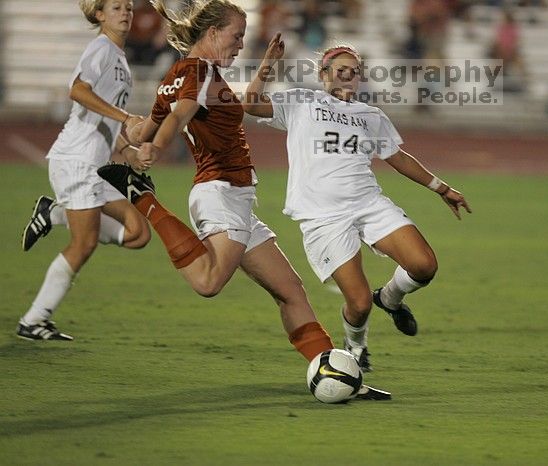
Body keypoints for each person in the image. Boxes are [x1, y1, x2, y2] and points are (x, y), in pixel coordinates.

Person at [98, 0, 389, 400]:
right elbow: (178, 118)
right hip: (220, 192)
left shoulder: (183, 73)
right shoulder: (199, 72)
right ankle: (144, 198)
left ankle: (337, 375)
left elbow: (151, 124)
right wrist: (155, 148)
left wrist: (132, 136)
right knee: (208, 281)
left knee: (290, 291)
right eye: (236, 36)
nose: (239, 44)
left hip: (234, 198)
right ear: (213, 32)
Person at [243, 38, 471, 372]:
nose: (348, 77)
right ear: (324, 74)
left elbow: (397, 157)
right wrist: (267, 64)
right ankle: (356, 344)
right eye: (341, 71)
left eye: (354, 72)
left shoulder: (370, 115)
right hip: (323, 217)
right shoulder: (301, 101)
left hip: (368, 203)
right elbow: (250, 105)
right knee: (359, 303)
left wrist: (441, 188)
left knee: (424, 265)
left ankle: (390, 298)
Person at [17, 0, 151, 341]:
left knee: (138, 233)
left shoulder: (120, 59)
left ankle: (55, 212)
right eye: (117, 7)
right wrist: (126, 119)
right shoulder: (101, 48)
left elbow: (105, 118)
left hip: (96, 166)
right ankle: (34, 319)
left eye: (129, 8)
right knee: (85, 243)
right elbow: (77, 90)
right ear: (99, 15)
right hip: (77, 160)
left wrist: (127, 151)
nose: (125, 12)